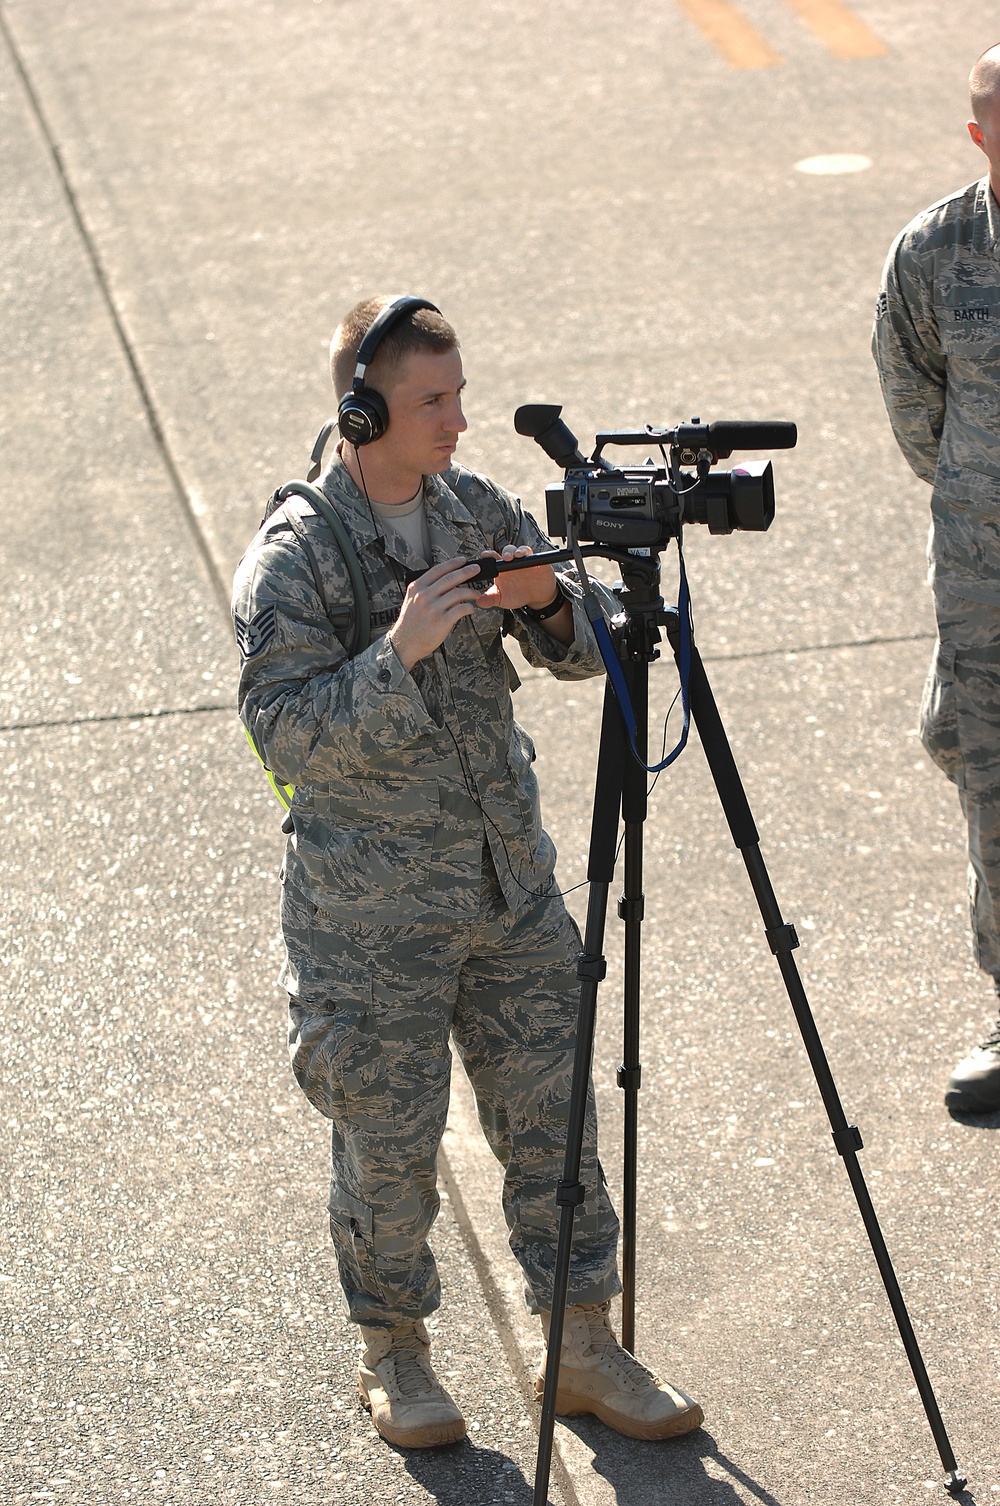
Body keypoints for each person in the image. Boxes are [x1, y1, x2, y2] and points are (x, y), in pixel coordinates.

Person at [232, 294, 703, 1447]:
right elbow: (281, 736)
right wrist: (399, 654)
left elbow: (594, 654)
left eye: (457, 392)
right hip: (372, 920)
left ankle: (581, 1344)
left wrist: (549, 604)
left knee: (554, 1124)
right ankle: (396, 1356)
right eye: (431, 398)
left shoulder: (473, 509)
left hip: (509, 891)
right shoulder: (297, 557)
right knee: (389, 1148)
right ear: (362, 407)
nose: (456, 417)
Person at [873, 44, 1000, 1114]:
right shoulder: (936, 251)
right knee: (988, 781)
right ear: (978, 133)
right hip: (985, 582)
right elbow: (915, 409)